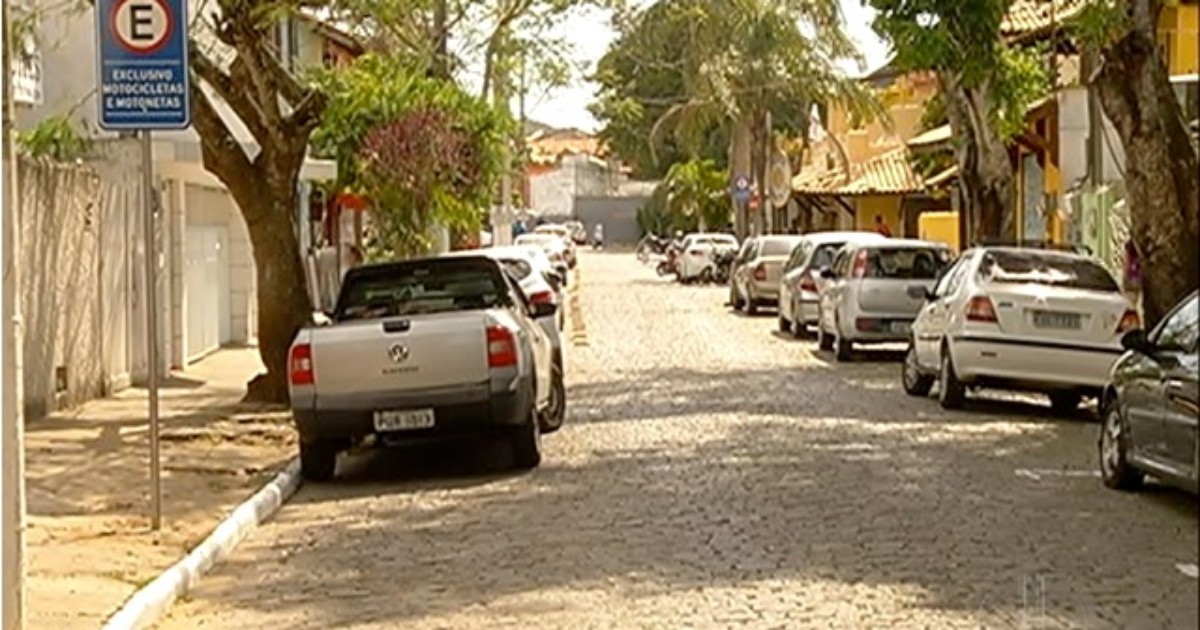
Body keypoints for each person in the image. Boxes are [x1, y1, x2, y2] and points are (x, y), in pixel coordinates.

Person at [1123, 238, 1142, 312]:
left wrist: (1125, 279)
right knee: (1134, 301)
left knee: (1130, 301)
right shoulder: (1137, 256)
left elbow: (1126, 265)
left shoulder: (1128, 252)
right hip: (1136, 278)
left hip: (1131, 278)